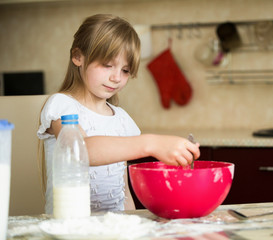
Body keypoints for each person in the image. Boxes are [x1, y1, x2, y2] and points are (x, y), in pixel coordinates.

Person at [37, 14, 200, 214]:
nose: (116, 78)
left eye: (125, 70)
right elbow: (82, 150)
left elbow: (124, 193)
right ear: (78, 56)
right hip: (70, 227)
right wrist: (151, 143)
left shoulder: (122, 119)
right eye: (107, 65)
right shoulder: (62, 105)